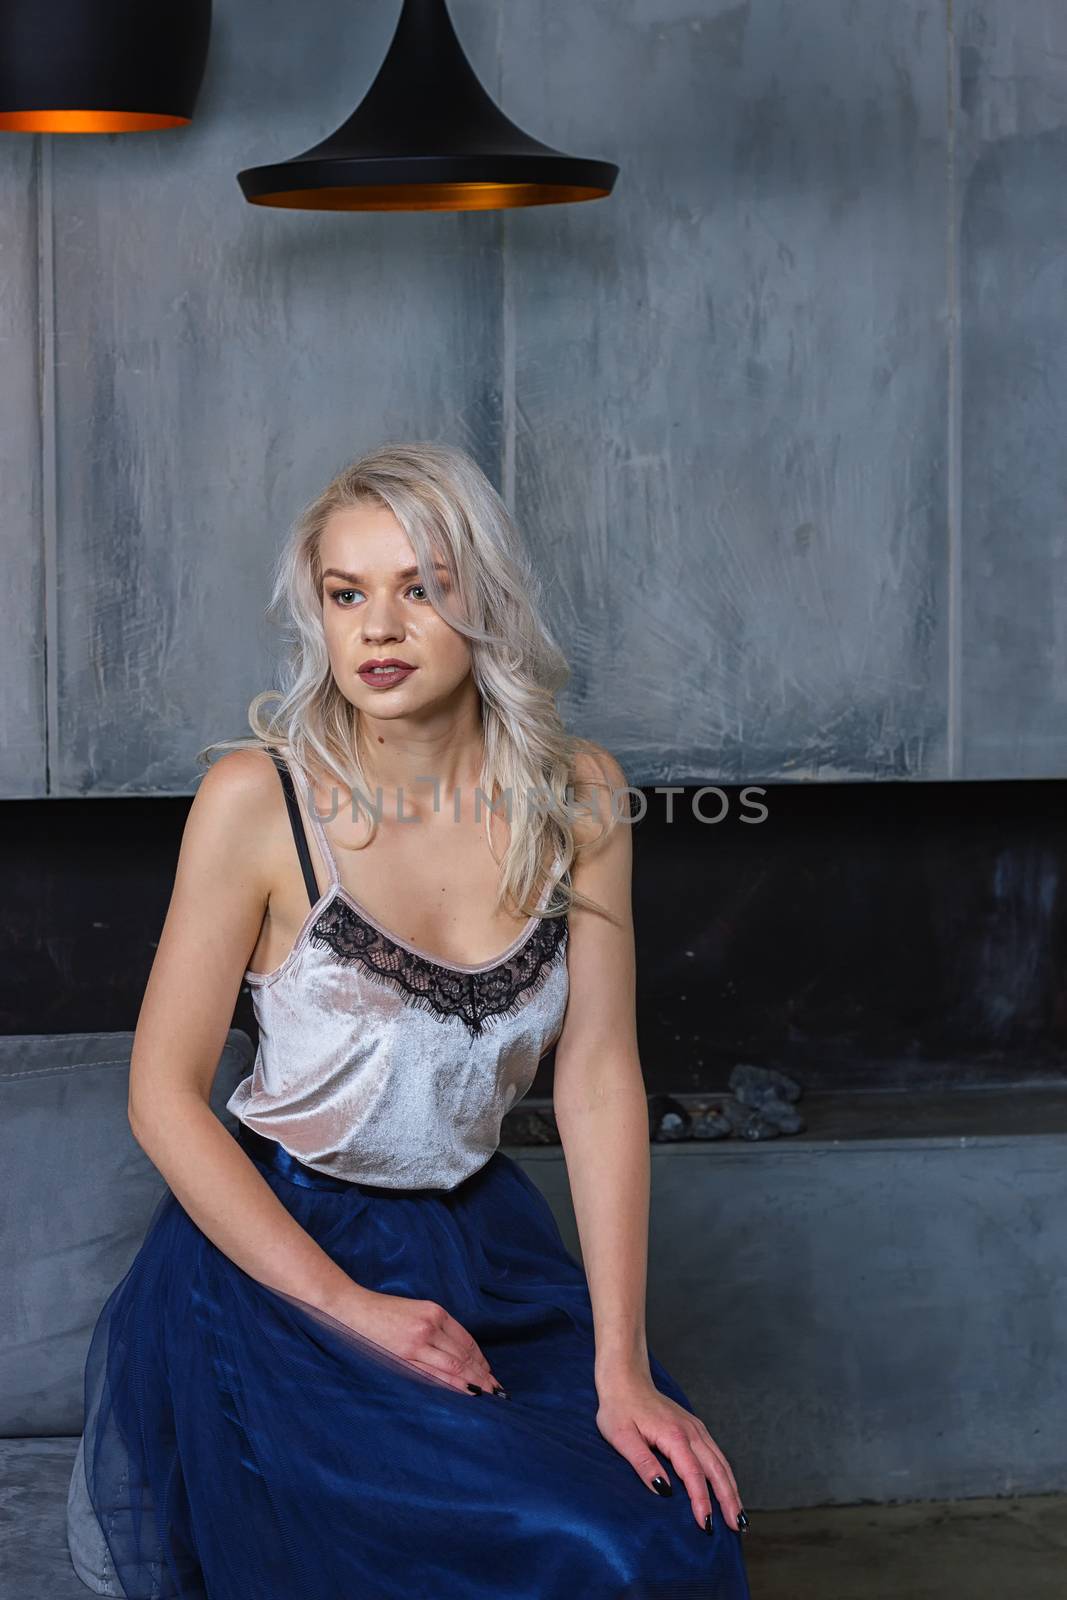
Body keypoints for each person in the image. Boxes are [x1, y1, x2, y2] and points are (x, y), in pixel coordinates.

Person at [67, 441, 752, 1599]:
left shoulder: (580, 795)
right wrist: (346, 1308)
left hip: (484, 1245)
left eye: (419, 586)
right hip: (284, 1267)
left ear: (481, 600)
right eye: (347, 594)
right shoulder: (256, 799)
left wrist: (620, 1367)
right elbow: (161, 1095)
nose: (378, 627)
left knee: (674, 1527)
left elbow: (595, 1080)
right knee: (564, 1545)